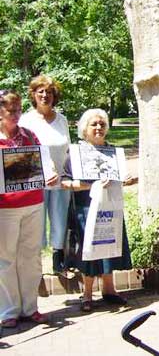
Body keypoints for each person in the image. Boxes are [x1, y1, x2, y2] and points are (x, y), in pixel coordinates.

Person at [61, 109, 133, 312]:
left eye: (102, 124)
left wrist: (127, 179)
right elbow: (64, 182)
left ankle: (109, 290)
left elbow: (118, 179)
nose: (99, 127)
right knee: (90, 249)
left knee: (109, 243)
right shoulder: (75, 153)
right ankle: (87, 294)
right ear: (85, 129)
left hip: (110, 206)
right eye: (94, 124)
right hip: (86, 206)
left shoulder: (113, 152)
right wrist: (87, 185)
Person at [0, 89, 58, 328]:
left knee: (31, 257)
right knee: (6, 260)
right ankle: (9, 311)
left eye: (18, 110)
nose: (15, 114)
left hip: (34, 203)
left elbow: (45, 163)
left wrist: (51, 173)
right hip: (5, 209)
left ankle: (30, 308)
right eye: (10, 110)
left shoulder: (30, 136)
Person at [19, 75, 71, 273]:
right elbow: (22, 154)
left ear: (54, 95)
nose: (44, 95)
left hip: (60, 181)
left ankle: (59, 258)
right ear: (33, 94)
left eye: (49, 92)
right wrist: (40, 174)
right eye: (40, 91)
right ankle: (36, 265)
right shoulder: (25, 121)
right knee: (36, 224)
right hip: (36, 183)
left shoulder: (62, 120)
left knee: (60, 219)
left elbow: (66, 149)